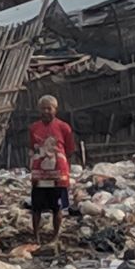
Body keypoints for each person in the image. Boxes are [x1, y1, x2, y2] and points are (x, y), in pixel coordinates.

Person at [28, 95, 75, 247]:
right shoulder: (34, 128)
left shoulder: (64, 127)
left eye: (49, 108)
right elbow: (32, 148)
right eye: (43, 108)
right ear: (39, 110)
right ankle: (36, 236)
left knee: (57, 207)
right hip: (40, 173)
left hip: (58, 174)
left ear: (56, 109)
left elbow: (69, 149)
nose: (46, 111)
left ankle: (55, 236)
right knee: (37, 206)